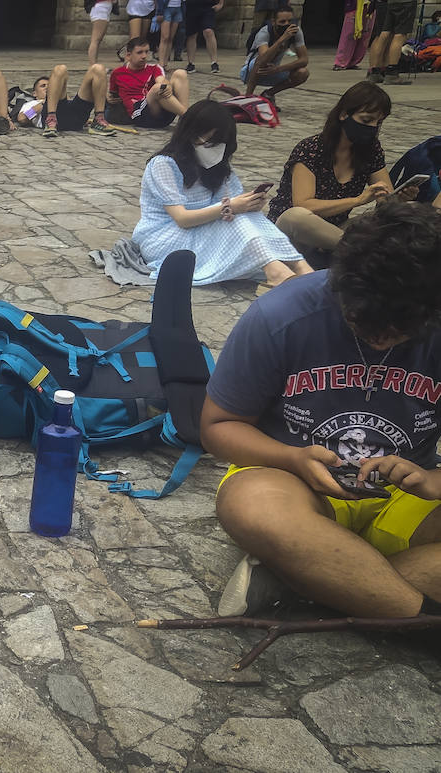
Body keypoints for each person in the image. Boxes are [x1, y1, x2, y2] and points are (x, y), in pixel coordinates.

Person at [206, 201, 441, 621]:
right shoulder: (281, 315)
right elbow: (219, 425)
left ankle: (317, 580)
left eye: (401, 330)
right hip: (297, 485)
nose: (381, 338)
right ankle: (417, 618)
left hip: (405, 502)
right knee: (253, 509)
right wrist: (292, 457)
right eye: (363, 322)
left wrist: (432, 479)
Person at [132, 100, 311, 286]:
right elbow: (182, 218)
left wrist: (249, 205)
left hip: (202, 230)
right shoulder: (164, 165)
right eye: (211, 143)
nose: (218, 150)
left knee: (250, 217)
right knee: (234, 216)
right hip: (163, 237)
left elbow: (228, 206)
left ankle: (300, 267)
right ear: (191, 135)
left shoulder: (218, 168)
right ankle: (276, 273)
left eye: (222, 144)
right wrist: (229, 207)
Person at [270, 82, 418, 267]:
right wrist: (357, 200)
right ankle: (365, 253)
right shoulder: (311, 149)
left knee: (393, 216)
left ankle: (353, 252)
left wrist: (399, 200)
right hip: (293, 234)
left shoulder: (370, 150)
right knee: (296, 215)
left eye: (378, 122)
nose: (372, 127)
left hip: (335, 232)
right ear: (343, 115)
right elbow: (304, 205)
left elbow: (385, 200)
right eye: (366, 120)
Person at [108, 37, 190, 129]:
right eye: (139, 52)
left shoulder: (154, 68)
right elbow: (112, 96)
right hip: (139, 114)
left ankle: (184, 119)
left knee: (180, 74)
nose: (144, 56)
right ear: (128, 55)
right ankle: (189, 117)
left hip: (160, 110)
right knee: (157, 88)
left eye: (146, 52)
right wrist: (108, 98)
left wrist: (167, 85)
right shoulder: (117, 73)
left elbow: (161, 80)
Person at [29, 64, 118, 137]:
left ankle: (99, 119)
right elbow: (21, 118)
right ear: (34, 93)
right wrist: (38, 107)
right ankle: (51, 118)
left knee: (98, 68)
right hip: (55, 116)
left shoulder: (60, 94)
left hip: (75, 116)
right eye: (42, 86)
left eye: (49, 85)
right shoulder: (31, 103)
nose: (47, 87)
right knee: (60, 69)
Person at [241, 7, 310, 102]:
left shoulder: (296, 32)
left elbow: (304, 60)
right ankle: (248, 97)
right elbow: (262, 59)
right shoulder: (264, 32)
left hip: (273, 70)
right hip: (250, 73)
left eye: (289, 21)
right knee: (261, 62)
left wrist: (278, 69)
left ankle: (268, 94)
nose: (286, 24)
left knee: (302, 72)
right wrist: (281, 39)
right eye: (282, 22)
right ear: (273, 22)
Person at [368, 0, 418, 84]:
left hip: (390, 2)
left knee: (384, 33)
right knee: (400, 35)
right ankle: (392, 73)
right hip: (405, 3)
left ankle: (375, 71)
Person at [334, 0, 376, 70]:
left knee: (365, 34)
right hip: (355, 5)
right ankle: (340, 61)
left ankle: (353, 61)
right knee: (349, 33)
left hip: (370, 5)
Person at [183, 0, 220, 73]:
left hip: (208, 6)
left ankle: (214, 62)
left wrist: (220, 3)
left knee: (208, 31)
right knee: (191, 34)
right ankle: (191, 63)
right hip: (191, 6)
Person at [156, 0, 183, 69]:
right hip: (166, 8)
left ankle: (165, 63)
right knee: (165, 37)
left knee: (171, 38)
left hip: (178, 7)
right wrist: (159, 12)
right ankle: (161, 63)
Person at [87, 0, 116, 66]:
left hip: (105, 8)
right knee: (95, 40)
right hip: (101, 8)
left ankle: (95, 65)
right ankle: (93, 67)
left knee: (98, 40)